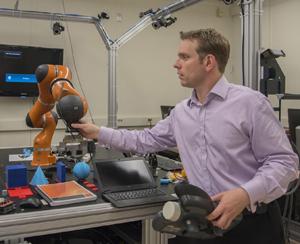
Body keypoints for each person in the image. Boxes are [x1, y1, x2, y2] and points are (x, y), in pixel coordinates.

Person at [72, 28, 299, 244]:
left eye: (184, 56)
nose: (175, 64)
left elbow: (285, 162)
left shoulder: (250, 103)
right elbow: (145, 140)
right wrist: (97, 132)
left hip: (252, 224)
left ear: (208, 62)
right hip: (203, 220)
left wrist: (244, 194)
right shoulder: (181, 112)